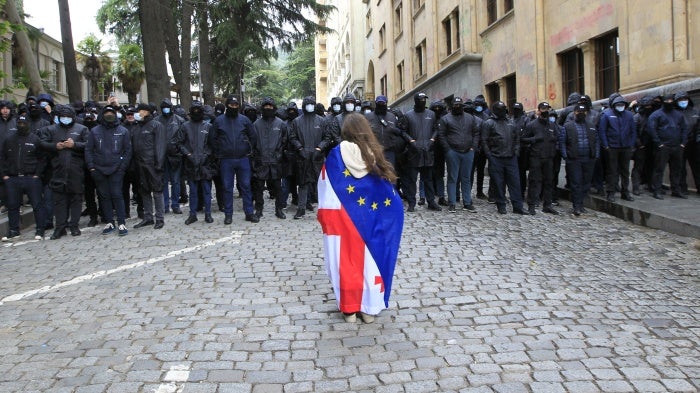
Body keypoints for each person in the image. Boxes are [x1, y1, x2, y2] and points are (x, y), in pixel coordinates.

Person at [317, 113, 403, 323]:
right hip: (370, 221)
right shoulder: (373, 155)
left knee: (344, 262)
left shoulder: (335, 155)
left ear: (345, 132)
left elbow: (325, 185)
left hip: (342, 220)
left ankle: (349, 310)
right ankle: (368, 309)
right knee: (370, 263)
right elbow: (385, 192)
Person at [38, 105, 90, 239]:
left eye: (68, 117)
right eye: (63, 117)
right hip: (57, 169)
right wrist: (55, 146)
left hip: (76, 169)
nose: (65, 119)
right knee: (59, 200)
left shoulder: (81, 129)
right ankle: (60, 227)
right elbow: (42, 143)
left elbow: (89, 145)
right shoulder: (51, 129)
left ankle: (74, 225)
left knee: (76, 199)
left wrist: (75, 145)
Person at [211, 95, 259, 224]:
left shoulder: (245, 120)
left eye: (236, 105)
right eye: (231, 105)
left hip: (243, 158)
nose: (233, 107)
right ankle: (228, 214)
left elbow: (253, 137)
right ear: (227, 105)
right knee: (227, 187)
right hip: (226, 160)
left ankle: (249, 213)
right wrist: (218, 153)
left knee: (246, 187)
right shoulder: (219, 121)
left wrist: (249, 150)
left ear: (238, 106)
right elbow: (212, 139)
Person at [85, 106, 132, 236]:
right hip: (99, 169)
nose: (109, 115)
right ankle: (109, 221)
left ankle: (121, 222)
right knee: (104, 196)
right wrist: (92, 167)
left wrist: (122, 167)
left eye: (112, 113)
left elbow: (128, 150)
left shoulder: (123, 131)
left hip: (117, 169)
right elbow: (88, 150)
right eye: (107, 113)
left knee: (117, 194)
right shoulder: (95, 131)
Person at [1, 115, 46, 241]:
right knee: (12, 205)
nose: (21, 125)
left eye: (23, 123)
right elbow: (2, 158)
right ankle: (14, 230)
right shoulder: (9, 140)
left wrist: (37, 174)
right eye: (19, 123)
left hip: (31, 177)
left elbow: (42, 158)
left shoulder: (35, 139)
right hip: (13, 178)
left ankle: (40, 229)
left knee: (37, 204)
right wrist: (4, 175)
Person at [175, 101, 216, 224]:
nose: (196, 112)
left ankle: (208, 214)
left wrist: (206, 155)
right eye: (194, 110)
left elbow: (212, 144)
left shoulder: (208, 127)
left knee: (207, 190)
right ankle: (193, 214)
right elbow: (179, 142)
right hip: (191, 162)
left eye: (199, 110)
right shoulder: (185, 126)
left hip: (205, 163)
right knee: (192, 191)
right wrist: (188, 154)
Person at [481, 101, 526, 215]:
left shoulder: (510, 122)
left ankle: (517, 206)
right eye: (501, 108)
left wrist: (516, 151)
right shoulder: (489, 123)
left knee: (515, 183)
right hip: (496, 157)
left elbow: (516, 138)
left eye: (504, 108)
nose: (503, 110)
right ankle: (501, 205)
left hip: (511, 157)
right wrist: (489, 156)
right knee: (498, 183)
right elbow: (484, 140)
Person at [438, 96, 479, 212]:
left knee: (466, 178)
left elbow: (476, 133)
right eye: (455, 105)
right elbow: (442, 135)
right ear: (452, 106)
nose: (458, 107)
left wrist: (473, 147)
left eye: (460, 105)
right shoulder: (445, 119)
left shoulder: (470, 118)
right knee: (452, 177)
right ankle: (452, 203)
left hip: (468, 151)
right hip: (453, 152)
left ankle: (467, 202)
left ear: (463, 106)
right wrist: (447, 149)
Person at [250, 97, 288, 220]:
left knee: (277, 187)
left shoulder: (280, 124)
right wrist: (256, 156)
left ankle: (279, 209)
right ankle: (259, 210)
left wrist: (280, 154)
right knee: (259, 188)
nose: (268, 108)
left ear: (274, 107)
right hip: (261, 161)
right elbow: (252, 142)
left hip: (276, 161)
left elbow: (285, 141)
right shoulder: (256, 124)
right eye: (265, 106)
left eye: (270, 106)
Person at [288, 96, 325, 219]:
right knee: (303, 184)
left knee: (320, 184)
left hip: (317, 156)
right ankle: (301, 208)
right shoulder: (297, 121)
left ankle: (324, 210)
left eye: (312, 104)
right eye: (307, 104)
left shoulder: (321, 121)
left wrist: (319, 148)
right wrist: (299, 148)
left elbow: (327, 137)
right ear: (304, 106)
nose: (310, 106)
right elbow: (292, 137)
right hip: (303, 156)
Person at [403, 92, 441, 212]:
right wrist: (411, 141)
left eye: (425, 99)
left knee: (428, 179)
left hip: (428, 151)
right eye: (421, 99)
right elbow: (403, 131)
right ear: (416, 100)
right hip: (414, 152)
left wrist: (432, 139)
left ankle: (431, 202)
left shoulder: (431, 114)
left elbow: (436, 129)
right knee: (412, 179)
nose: (423, 101)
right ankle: (411, 203)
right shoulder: (408, 115)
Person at [131, 103, 167, 229]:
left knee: (157, 191)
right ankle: (148, 217)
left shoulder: (156, 125)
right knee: (144, 191)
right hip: (139, 164)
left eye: (139, 111)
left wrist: (159, 163)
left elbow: (160, 146)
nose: (137, 113)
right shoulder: (136, 127)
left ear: (146, 112)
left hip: (152, 164)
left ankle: (159, 218)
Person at [647, 94, 689, 199]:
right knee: (659, 169)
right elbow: (652, 129)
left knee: (677, 169)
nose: (669, 102)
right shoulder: (656, 115)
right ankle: (657, 190)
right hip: (663, 146)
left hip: (677, 146)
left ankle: (676, 189)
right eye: (667, 101)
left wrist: (683, 143)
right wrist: (659, 143)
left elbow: (684, 128)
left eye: (671, 100)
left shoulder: (678, 115)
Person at [560, 104, 599, 216]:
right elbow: (563, 142)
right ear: (574, 113)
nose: (581, 114)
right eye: (578, 112)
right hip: (574, 159)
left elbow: (596, 141)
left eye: (583, 112)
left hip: (588, 158)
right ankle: (576, 205)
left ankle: (581, 204)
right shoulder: (568, 126)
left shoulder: (591, 125)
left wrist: (596, 155)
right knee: (576, 183)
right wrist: (565, 155)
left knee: (586, 183)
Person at [521, 102, 559, 215]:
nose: (545, 111)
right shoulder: (532, 125)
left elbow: (557, 136)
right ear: (538, 110)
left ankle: (547, 205)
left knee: (549, 181)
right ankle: (531, 205)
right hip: (536, 157)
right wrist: (534, 139)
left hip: (549, 157)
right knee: (534, 181)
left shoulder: (552, 125)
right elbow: (523, 139)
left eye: (547, 109)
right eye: (543, 109)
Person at [598, 95, 637, 202]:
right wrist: (606, 145)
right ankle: (611, 192)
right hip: (612, 147)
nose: (620, 106)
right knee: (612, 171)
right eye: (618, 105)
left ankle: (625, 192)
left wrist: (631, 144)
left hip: (625, 147)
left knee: (625, 171)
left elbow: (633, 131)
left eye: (622, 105)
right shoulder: (607, 115)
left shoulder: (629, 115)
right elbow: (602, 131)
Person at [158, 99, 185, 214]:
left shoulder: (179, 120)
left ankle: (175, 204)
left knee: (176, 181)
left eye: (167, 107)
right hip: (161, 155)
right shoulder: (157, 120)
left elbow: (183, 137)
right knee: (163, 182)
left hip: (175, 155)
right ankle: (165, 205)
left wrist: (179, 150)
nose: (166, 109)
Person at [675, 91, 700, 194]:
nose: (683, 101)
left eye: (685, 99)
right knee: (680, 167)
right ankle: (682, 188)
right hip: (680, 143)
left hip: (694, 143)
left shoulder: (694, 111)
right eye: (680, 100)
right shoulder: (674, 113)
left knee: (697, 167)